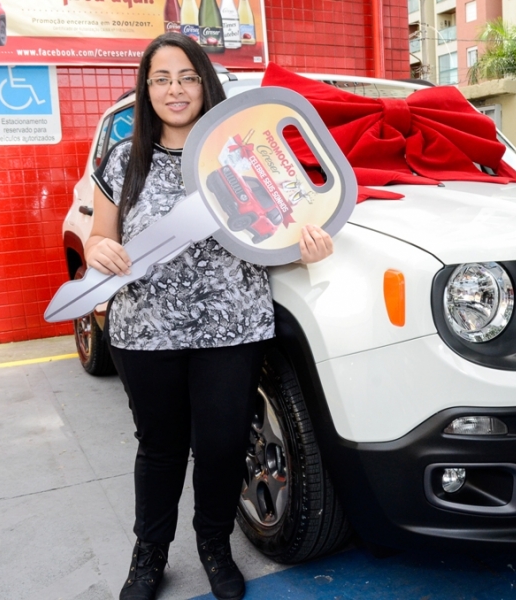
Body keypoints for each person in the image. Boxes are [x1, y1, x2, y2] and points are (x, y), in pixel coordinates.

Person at [85, 33, 333, 600]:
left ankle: (214, 548)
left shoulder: (242, 151)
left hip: (233, 328)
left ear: (205, 83)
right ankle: (148, 557)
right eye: (162, 79)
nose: (175, 90)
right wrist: (100, 249)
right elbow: (101, 236)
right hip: (146, 331)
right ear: (146, 90)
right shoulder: (125, 159)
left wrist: (308, 245)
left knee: (222, 447)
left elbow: (279, 228)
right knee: (161, 449)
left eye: (187, 77)